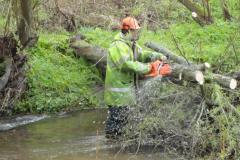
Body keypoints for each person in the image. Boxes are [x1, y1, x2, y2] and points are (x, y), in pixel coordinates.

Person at [104, 17, 171, 138]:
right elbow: (126, 65)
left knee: (123, 123)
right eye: (135, 31)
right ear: (127, 31)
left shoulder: (131, 44)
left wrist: (157, 56)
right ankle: (110, 147)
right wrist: (149, 68)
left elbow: (143, 54)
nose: (137, 33)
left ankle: (117, 145)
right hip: (117, 94)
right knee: (115, 125)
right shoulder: (118, 46)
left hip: (125, 93)